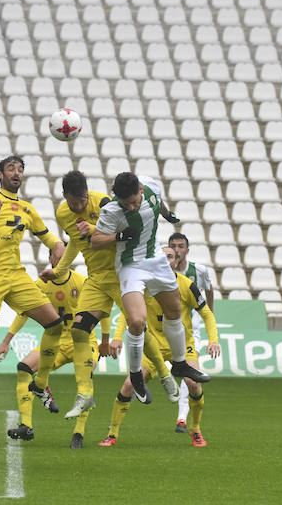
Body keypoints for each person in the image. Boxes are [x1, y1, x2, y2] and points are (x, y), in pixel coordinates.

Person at [37, 171, 177, 421]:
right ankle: (85, 393)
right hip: (96, 278)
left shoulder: (105, 203)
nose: (79, 206)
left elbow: (123, 237)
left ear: (87, 193)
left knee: (138, 326)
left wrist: (94, 230)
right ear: (64, 196)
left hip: (119, 272)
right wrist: (59, 271)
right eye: (74, 202)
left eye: (82, 200)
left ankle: (165, 376)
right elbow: (76, 244)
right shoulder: (62, 213)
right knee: (79, 329)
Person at [72, 172, 209, 418]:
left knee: (175, 309)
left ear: (140, 190)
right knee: (136, 321)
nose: (132, 206)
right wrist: (119, 236)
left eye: (135, 201)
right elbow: (95, 241)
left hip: (155, 258)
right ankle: (135, 374)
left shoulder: (152, 187)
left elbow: (161, 201)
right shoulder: (112, 210)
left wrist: (167, 215)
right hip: (129, 265)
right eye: (128, 204)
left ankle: (179, 364)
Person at [0, 155, 66, 412]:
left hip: (16, 275)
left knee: (54, 325)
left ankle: (41, 381)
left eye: (20, 169)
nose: (17, 173)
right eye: (11, 168)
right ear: (0, 174)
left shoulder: (27, 209)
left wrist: (57, 244)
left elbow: (46, 235)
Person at [98, 246, 220, 448]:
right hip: (152, 345)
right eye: (162, 256)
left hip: (181, 345)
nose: (166, 259)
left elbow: (206, 313)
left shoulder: (187, 285)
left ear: (176, 261)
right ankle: (112, 434)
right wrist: (117, 337)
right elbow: (129, 313)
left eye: (170, 256)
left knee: (194, 384)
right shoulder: (143, 284)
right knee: (129, 385)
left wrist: (213, 339)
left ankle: (196, 429)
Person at [0, 249, 110, 448]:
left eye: (65, 254)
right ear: (50, 258)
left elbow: (104, 311)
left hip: (83, 342)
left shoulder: (81, 282)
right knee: (24, 367)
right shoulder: (41, 284)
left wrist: (105, 341)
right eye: (56, 254)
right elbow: (23, 313)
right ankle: (26, 425)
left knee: (86, 378)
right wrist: (6, 341)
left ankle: (78, 433)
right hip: (56, 342)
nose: (60, 258)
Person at [167, 232, 215, 433]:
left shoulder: (199, 271)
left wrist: (209, 314)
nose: (177, 250)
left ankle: (182, 418)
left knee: (190, 373)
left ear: (187, 249)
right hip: (163, 329)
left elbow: (209, 290)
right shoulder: (162, 269)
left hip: (189, 330)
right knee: (140, 373)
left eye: (180, 246)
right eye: (173, 246)